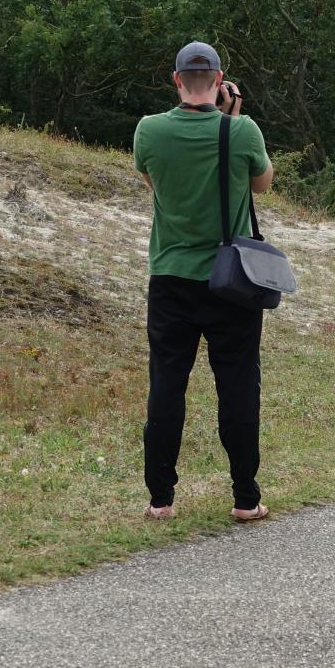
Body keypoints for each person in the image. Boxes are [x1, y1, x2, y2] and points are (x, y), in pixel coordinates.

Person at [133, 41, 275, 523]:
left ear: (176, 80)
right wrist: (234, 118)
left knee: (168, 383)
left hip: (170, 276)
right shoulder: (242, 130)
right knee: (237, 384)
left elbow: (154, 184)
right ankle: (245, 496)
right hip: (231, 279)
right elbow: (262, 184)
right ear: (219, 80)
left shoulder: (149, 131)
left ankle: (160, 498)